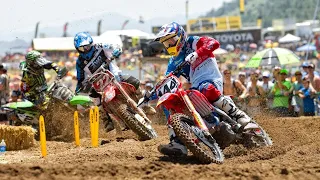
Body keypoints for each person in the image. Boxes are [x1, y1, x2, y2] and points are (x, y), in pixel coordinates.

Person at [153, 22, 251, 156]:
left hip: (211, 79)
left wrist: (197, 53)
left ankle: (238, 115)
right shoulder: (173, 60)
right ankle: (177, 143)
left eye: (172, 40)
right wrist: (150, 95)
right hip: (195, 87)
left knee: (206, 88)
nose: (170, 44)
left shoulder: (193, 42)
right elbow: (167, 80)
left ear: (180, 35)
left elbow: (214, 43)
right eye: (166, 42)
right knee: (170, 102)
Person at [74, 32, 155, 132]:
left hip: (114, 75)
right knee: (94, 97)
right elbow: (80, 78)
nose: (85, 50)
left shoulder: (101, 47)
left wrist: (117, 51)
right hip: (98, 83)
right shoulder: (80, 62)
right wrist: (78, 89)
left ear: (91, 43)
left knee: (133, 81)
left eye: (86, 47)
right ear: (77, 49)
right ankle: (106, 120)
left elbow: (116, 47)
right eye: (81, 48)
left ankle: (145, 103)